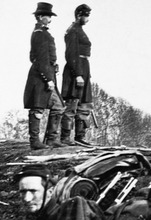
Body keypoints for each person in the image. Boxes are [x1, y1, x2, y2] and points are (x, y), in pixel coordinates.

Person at [24, 2, 65, 150]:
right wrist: (48, 78)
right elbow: (40, 58)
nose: (50, 19)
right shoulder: (40, 34)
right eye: (47, 16)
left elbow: (33, 56)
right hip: (41, 77)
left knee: (58, 107)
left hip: (47, 73)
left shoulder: (42, 33)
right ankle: (35, 141)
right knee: (38, 108)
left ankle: (51, 139)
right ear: (40, 17)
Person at [61, 4, 94, 146]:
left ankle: (80, 137)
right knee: (72, 104)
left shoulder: (79, 30)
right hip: (76, 70)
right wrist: (78, 74)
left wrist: (85, 73)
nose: (87, 19)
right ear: (79, 15)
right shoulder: (73, 30)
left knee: (84, 104)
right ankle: (66, 138)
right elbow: (71, 54)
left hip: (84, 68)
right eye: (86, 16)